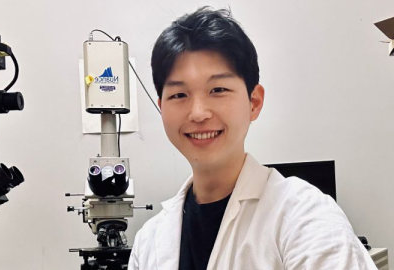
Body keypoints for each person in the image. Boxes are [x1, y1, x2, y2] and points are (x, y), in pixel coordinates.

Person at [128, 6, 377, 270]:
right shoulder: (149, 241)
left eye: (218, 89)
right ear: (162, 108)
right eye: (179, 95)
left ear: (254, 102)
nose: (198, 113)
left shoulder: (304, 215)